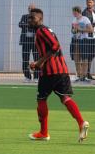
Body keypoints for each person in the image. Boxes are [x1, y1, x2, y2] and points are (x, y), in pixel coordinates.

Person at [27, 8, 89, 143]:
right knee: (65, 98)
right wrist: (38, 63)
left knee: (41, 99)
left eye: (33, 18)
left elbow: (55, 46)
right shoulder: (46, 30)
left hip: (49, 72)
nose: (30, 20)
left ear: (40, 19)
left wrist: (40, 62)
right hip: (62, 70)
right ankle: (81, 122)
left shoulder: (41, 30)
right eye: (29, 18)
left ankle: (44, 133)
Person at [82, 0, 95, 81]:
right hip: (86, 37)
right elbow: (84, 23)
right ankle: (84, 75)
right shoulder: (85, 12)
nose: (89, 4)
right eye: (88, 2)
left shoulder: (94, 12)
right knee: (86, 56)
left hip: (93, 36)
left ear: (94, 3)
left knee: (92, 54)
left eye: (90, 2)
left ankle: (88, 74)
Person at [71, 6, 93, 82]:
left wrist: (80, 29)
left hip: (83, 40)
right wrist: (74, 30)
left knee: (84, 59)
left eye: (74, 12)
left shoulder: (85, 19)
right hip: (75, 40)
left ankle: (84, 76)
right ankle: (79, 75)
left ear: (78, 11)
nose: (73, 13)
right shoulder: (74, 19)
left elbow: (91, 30)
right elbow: (73, 30)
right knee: (76, 58)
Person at [19, 4, 38, 82]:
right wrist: (29, 24)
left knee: (36, 59)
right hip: (25, 41)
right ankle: (27, 77)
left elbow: (38, 26)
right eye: (29, 8)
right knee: (25, 59)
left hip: (35, 41)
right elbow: (20, 24)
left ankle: (36, 77)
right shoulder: (24, 16)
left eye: (32, 8)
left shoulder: (38, 17)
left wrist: (29, 25)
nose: (30, 9)